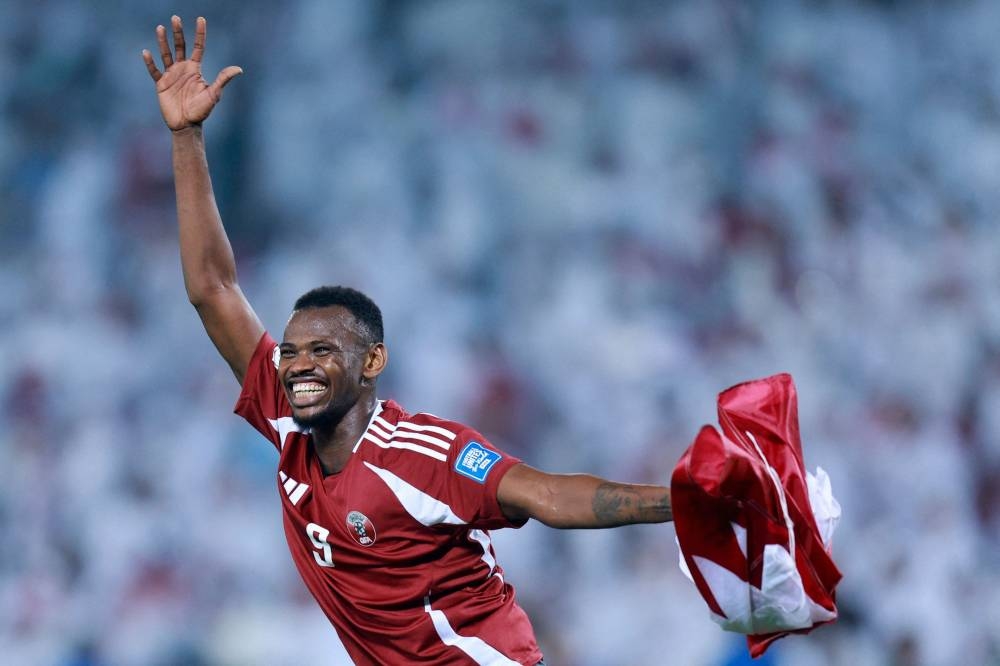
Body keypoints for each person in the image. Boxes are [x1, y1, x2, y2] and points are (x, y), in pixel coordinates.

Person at [142, 16, 673, 665]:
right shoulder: (285, 415)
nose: (299, 364)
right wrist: (186, 137)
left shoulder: (420, 455)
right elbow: (213, 289)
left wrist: (680, 503)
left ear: (372, 362)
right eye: (292, 350)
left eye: (323, 351)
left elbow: (548, 496)